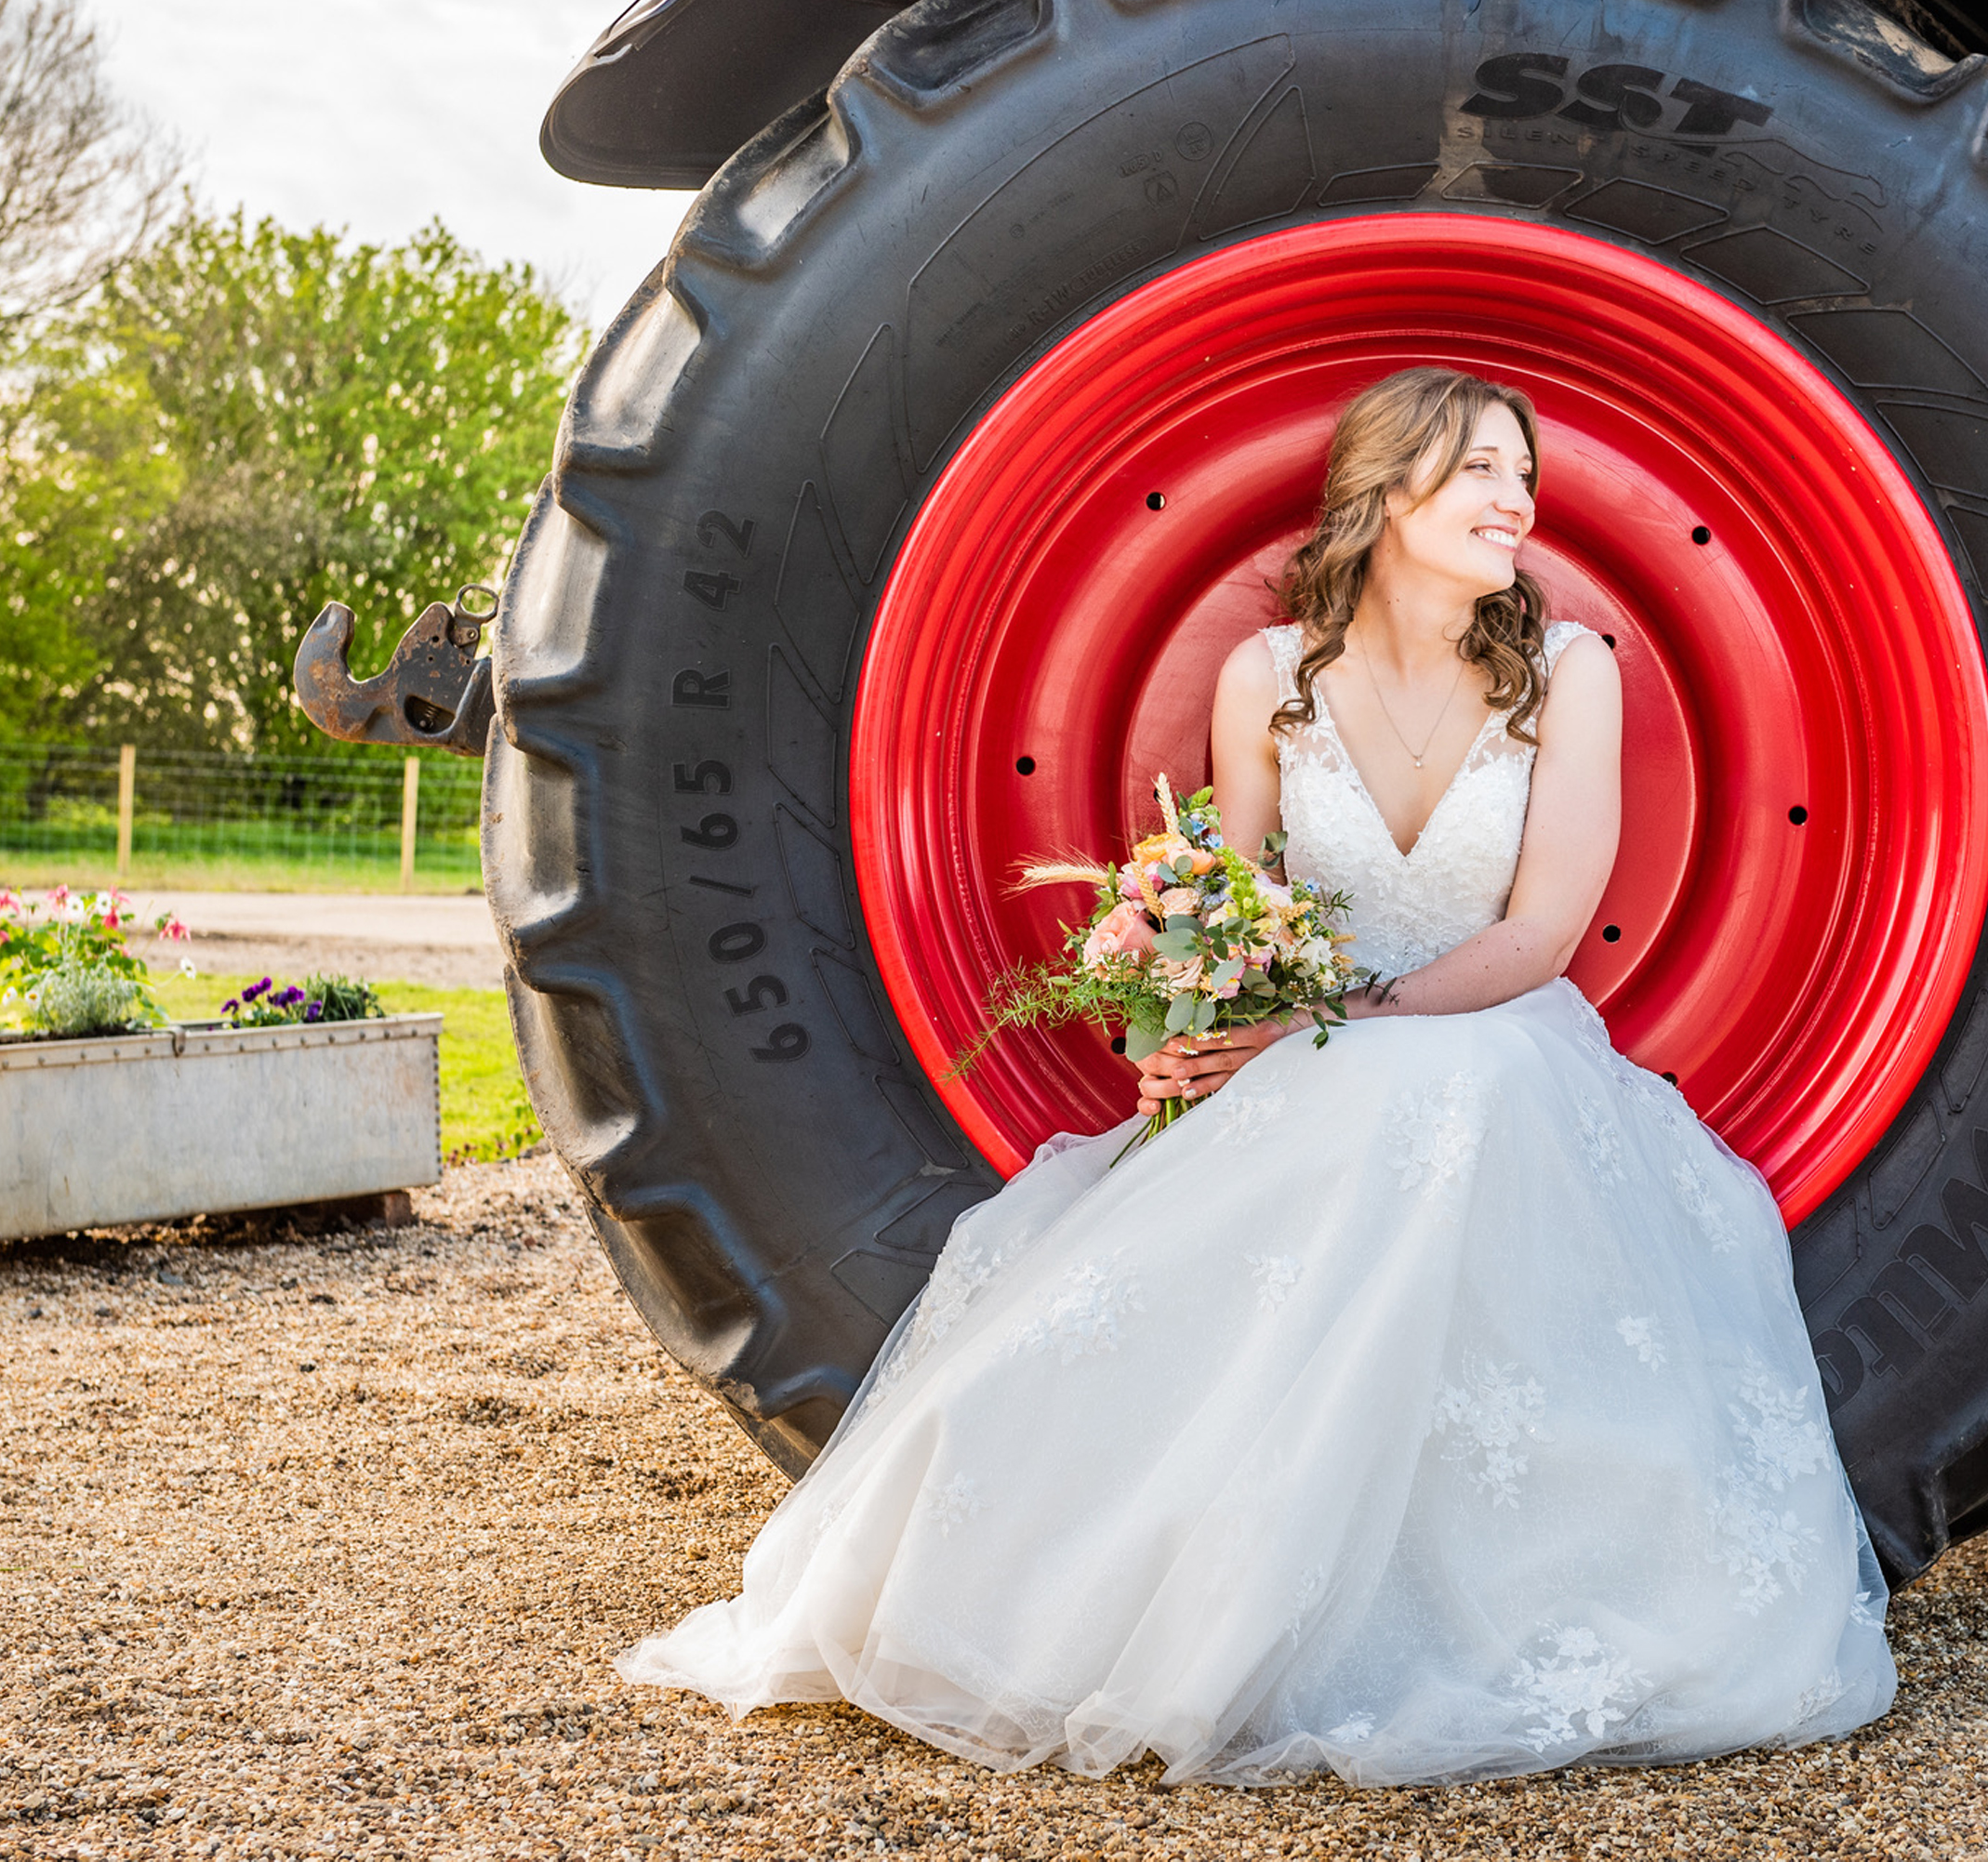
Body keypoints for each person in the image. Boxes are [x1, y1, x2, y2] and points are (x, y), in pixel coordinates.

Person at [616, 366, 1895, 1785]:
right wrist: (1175, 1008)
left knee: (1452, 1093)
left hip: (1489, 1036)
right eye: (1477, 467)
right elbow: (1232, 898)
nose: (1515, 496)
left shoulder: (1573, 670)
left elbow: (1541, 933)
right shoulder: (1266, 679)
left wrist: (1336, 1014)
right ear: (1385, 489)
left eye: (1520, 472)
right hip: (1316, 1042)